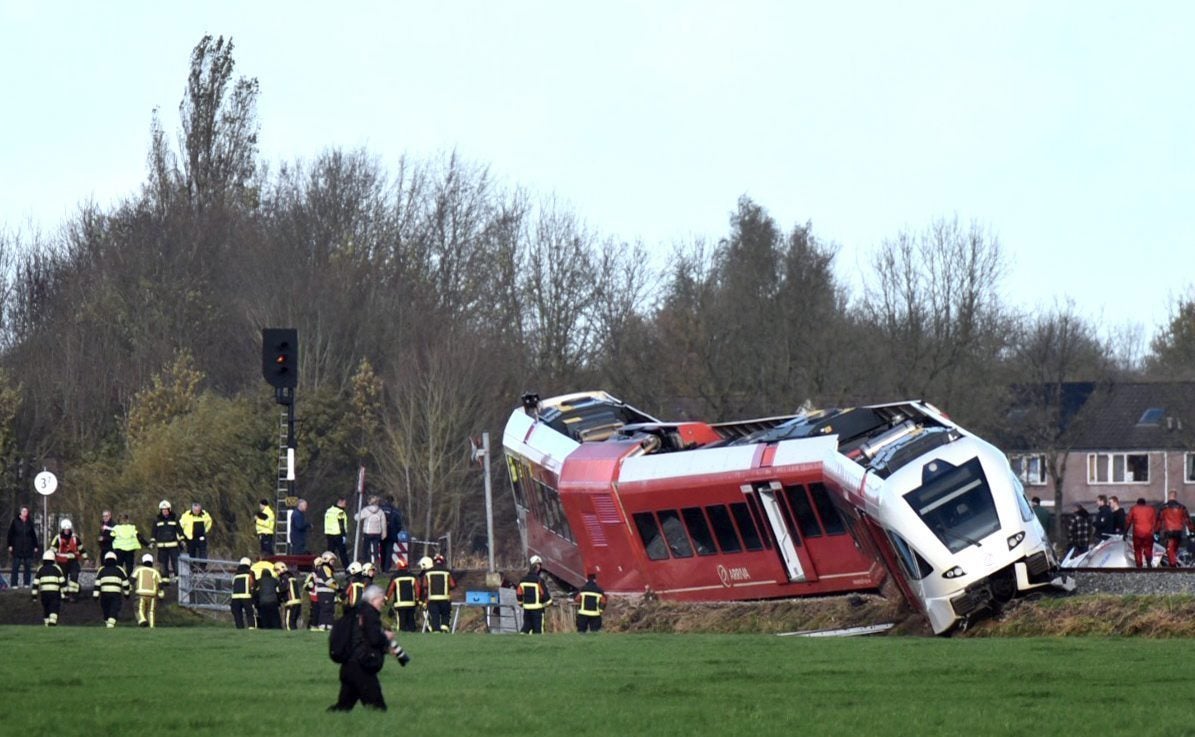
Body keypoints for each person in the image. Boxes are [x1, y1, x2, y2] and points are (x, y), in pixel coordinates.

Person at [328, 585, 409, 712]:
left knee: (342, 708)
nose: (383, 604)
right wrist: (386, 636)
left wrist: (387, 649)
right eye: (381, 600)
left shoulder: (356, 611)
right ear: (373, 600)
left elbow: (362, 638)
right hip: (362, 668)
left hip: (348, 667)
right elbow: (374, 638)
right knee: (378, 709)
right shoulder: (369, 614)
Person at [49, 518, 87, 601]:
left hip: (73, 561)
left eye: (68, 529)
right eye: (65, 529)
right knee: (63, 579)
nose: (67, 531)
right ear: (63, 529)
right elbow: (52, 550)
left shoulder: (75, 537)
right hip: (62, 562)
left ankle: (73, 595)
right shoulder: (58, 538)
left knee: (74, 577)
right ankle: (64, 595)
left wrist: (85, 558)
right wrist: (50, 560)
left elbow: (81, 548)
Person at [92, 551, 131, 627]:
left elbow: (97, 583)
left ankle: (107, 622)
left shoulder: (101, 570)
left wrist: (95, 595)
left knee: (105, 608)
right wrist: (127, 594)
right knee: (114, 608)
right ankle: (111, 623)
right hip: (116, 593)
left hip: (104, 593)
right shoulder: (120, 569)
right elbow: (126, 583)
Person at [7, 505, 40, 588]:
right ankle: (14, 584)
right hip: (17, 547)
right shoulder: (15, 522)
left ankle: (27, 583)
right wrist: (10, 545)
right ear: (21, 512)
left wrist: (35, 546)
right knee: (16, 566)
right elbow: (10, 534)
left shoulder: (30, 522)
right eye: (24, 511)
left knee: (27, 566)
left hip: (28, 547)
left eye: (26, 511)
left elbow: (33, 535)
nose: (25, 513)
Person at [516, 556, 551, 634]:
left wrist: (521, 603)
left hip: (527, 608)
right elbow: (544, 595)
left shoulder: (523, 580)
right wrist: (548, 603)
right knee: (538, 629)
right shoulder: (539, 580)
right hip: (537, 609)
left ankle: (521, 640)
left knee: (526, 626)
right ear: (537, 567)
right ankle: (537, 644)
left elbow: (519, 593)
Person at [422, 553, 456, 633]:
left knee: (434, 615)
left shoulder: (428, 572)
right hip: (445, 599)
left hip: (432, 599)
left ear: (434, 562)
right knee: (445, 614)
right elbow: (452, 584)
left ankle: (436, 631)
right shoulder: (447, 572)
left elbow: (424, 585)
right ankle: (444, 629)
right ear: (443, 562)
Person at [1158, 491, 1193, 567]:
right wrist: (1192, 530)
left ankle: (1173, 566)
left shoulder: (1164, 507)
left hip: (1169, 531)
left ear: (1169, 495)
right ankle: (1174, 565)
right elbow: (1187, 520)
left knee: (1170, 550)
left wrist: (1157, 531)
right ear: (1175, 496)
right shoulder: (1182, 507)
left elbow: (1159, 520)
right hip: (1179, 532)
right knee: (1174, 549)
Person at [385, 558, 421, 633]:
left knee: (402, 624)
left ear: (398, 566)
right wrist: (418, 599)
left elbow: (390, 589)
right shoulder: (413, 576)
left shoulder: (395, 577)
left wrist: (386, 599)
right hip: (411, 603)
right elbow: (417, 589)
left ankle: (403, 636)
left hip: (400, 604)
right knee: (411, 621)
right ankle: (413, 636)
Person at [31, 550, 65, 626]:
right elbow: (62, 582)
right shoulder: (57, 568)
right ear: (53, 559)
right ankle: (52, 623)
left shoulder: (40, 569)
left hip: (44, 593)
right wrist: (64, 594)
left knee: (46, 608)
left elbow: (35, 583)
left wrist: (34, 596)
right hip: (55, 593)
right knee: (54, 607)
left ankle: (46, 624)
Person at [153, 500, 184, 582]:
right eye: (163, 510)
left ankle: (178, 578)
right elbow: (154, 532)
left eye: (166, 510)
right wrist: (152, 542)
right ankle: (165, 579)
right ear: (161, 510)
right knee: (163, 563)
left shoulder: (174, 519)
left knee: (176, 562)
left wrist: (182, 540)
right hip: (162, 546)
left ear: (169, 510)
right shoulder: (157, 520)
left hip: (173, 545)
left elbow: (180, 530)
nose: (165, 511)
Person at [132, 553, 166, 627]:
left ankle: (142, 620)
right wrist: (161, 593)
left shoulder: (138, 570)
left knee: (139, 609)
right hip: (152, 595)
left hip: (141, 594)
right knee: (151, 611)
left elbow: (132, 579)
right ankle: (151, 626)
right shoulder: (155, 572)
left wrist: (130, 589)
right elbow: (160, 583)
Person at [1125, 497, 1159, 568]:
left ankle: (1139, 566)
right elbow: (1155, 521)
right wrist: (1155, 532)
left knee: (1138, 550)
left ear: (1137, 503)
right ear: (1144, 503)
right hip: (1148, 533)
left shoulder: (1134, 509)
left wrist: (1125, 532)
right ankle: (1148, 562)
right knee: (1148, 548)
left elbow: (1128, 521)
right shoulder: (1151, 509)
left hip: (1137, 533)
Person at [354, 496, 387, 567]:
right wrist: (384, 534)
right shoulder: (380, 511)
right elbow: (383, 523)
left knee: (365, 549)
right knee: (376, 550)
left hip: (368, 533)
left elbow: (357, 518)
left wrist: (357, 514)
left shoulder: (366, 510)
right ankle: (377, 564)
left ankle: (365, 563)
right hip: (377, 533)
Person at [313, 551, 339, 630]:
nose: (333, 562)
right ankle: (323, 625)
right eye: (332, 560)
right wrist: (338, 587)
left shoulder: (326, 568)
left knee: (329, 609)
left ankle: (328, 625)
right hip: (325, 593)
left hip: (327, 593)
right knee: (326, 609)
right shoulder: (325, 568)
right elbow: (328, 581)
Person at [230, 557, 256, 629]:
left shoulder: (236, 575)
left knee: (237, 615)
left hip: (235, 598)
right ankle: (251, 628)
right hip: (246, 597)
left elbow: (232, 585)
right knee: (249, 613)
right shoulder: (250, 574)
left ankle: (239, 628)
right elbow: (253, 584)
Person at [379, 496, 403, 573]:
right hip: (392, 534)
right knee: (389, 552)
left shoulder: (380, 509)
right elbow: (399, 524)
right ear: (392, 501)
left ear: (385, 500)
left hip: (381, 533)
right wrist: (395, 531)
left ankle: (382, 567)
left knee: (382, 551)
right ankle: (387, 568)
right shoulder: (396, 511)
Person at [277, 562, 303, 631]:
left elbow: (284, 587)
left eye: (277, 570)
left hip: (291, 602)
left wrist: (277, 589)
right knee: (293, 623)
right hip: (298, 602)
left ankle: (291, 639)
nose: (277, 573)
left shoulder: (284, 577)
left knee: (289, 623)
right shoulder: (292, 576)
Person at [324, 497, 349, 566]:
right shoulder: (340, 512)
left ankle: (327, 567)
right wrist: (344, 535)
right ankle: (347, 568)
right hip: (338, 534)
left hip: (329, 534)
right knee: (343, 553)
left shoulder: (329, 510)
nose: (345, 505)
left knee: (330, 553)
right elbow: (341, 525)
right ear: (341, 502)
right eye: (345, 503)